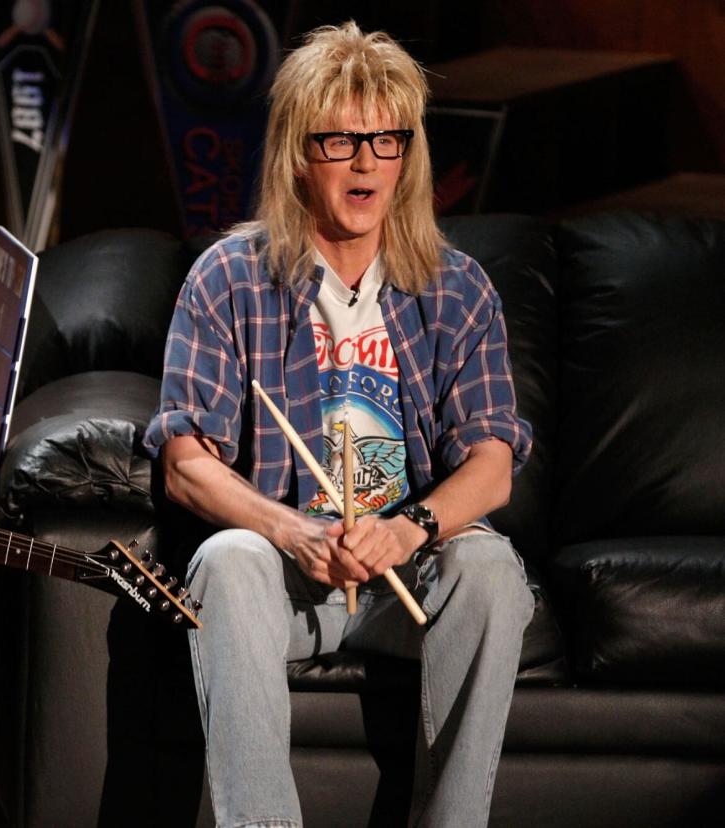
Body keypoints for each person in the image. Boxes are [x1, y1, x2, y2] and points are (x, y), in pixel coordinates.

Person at [143, 22, 535, 828]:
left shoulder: (456, 288)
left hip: (405, 576)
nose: (366, 163)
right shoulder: (229, 278)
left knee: (493, 572)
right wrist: (290, 531)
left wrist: (407, 531)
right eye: (342, 142)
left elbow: (492, 464)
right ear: (296, 154)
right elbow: (186, 462)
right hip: (292, 575)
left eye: (387, 141)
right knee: (225, 560)